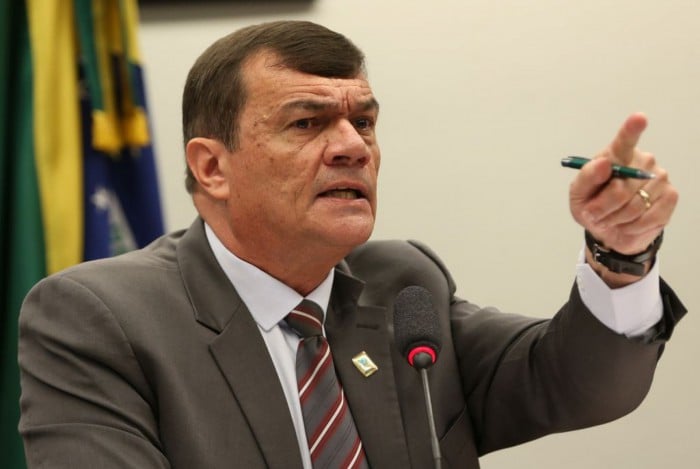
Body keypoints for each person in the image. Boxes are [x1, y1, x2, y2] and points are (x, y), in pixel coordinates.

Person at [18, 20, 686, 469]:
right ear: (213, 167)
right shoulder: (101, 318)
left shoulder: (403, 284)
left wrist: (620, 255)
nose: (352, 146)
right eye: (307, 123)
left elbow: (577, 385)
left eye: (362, 121)